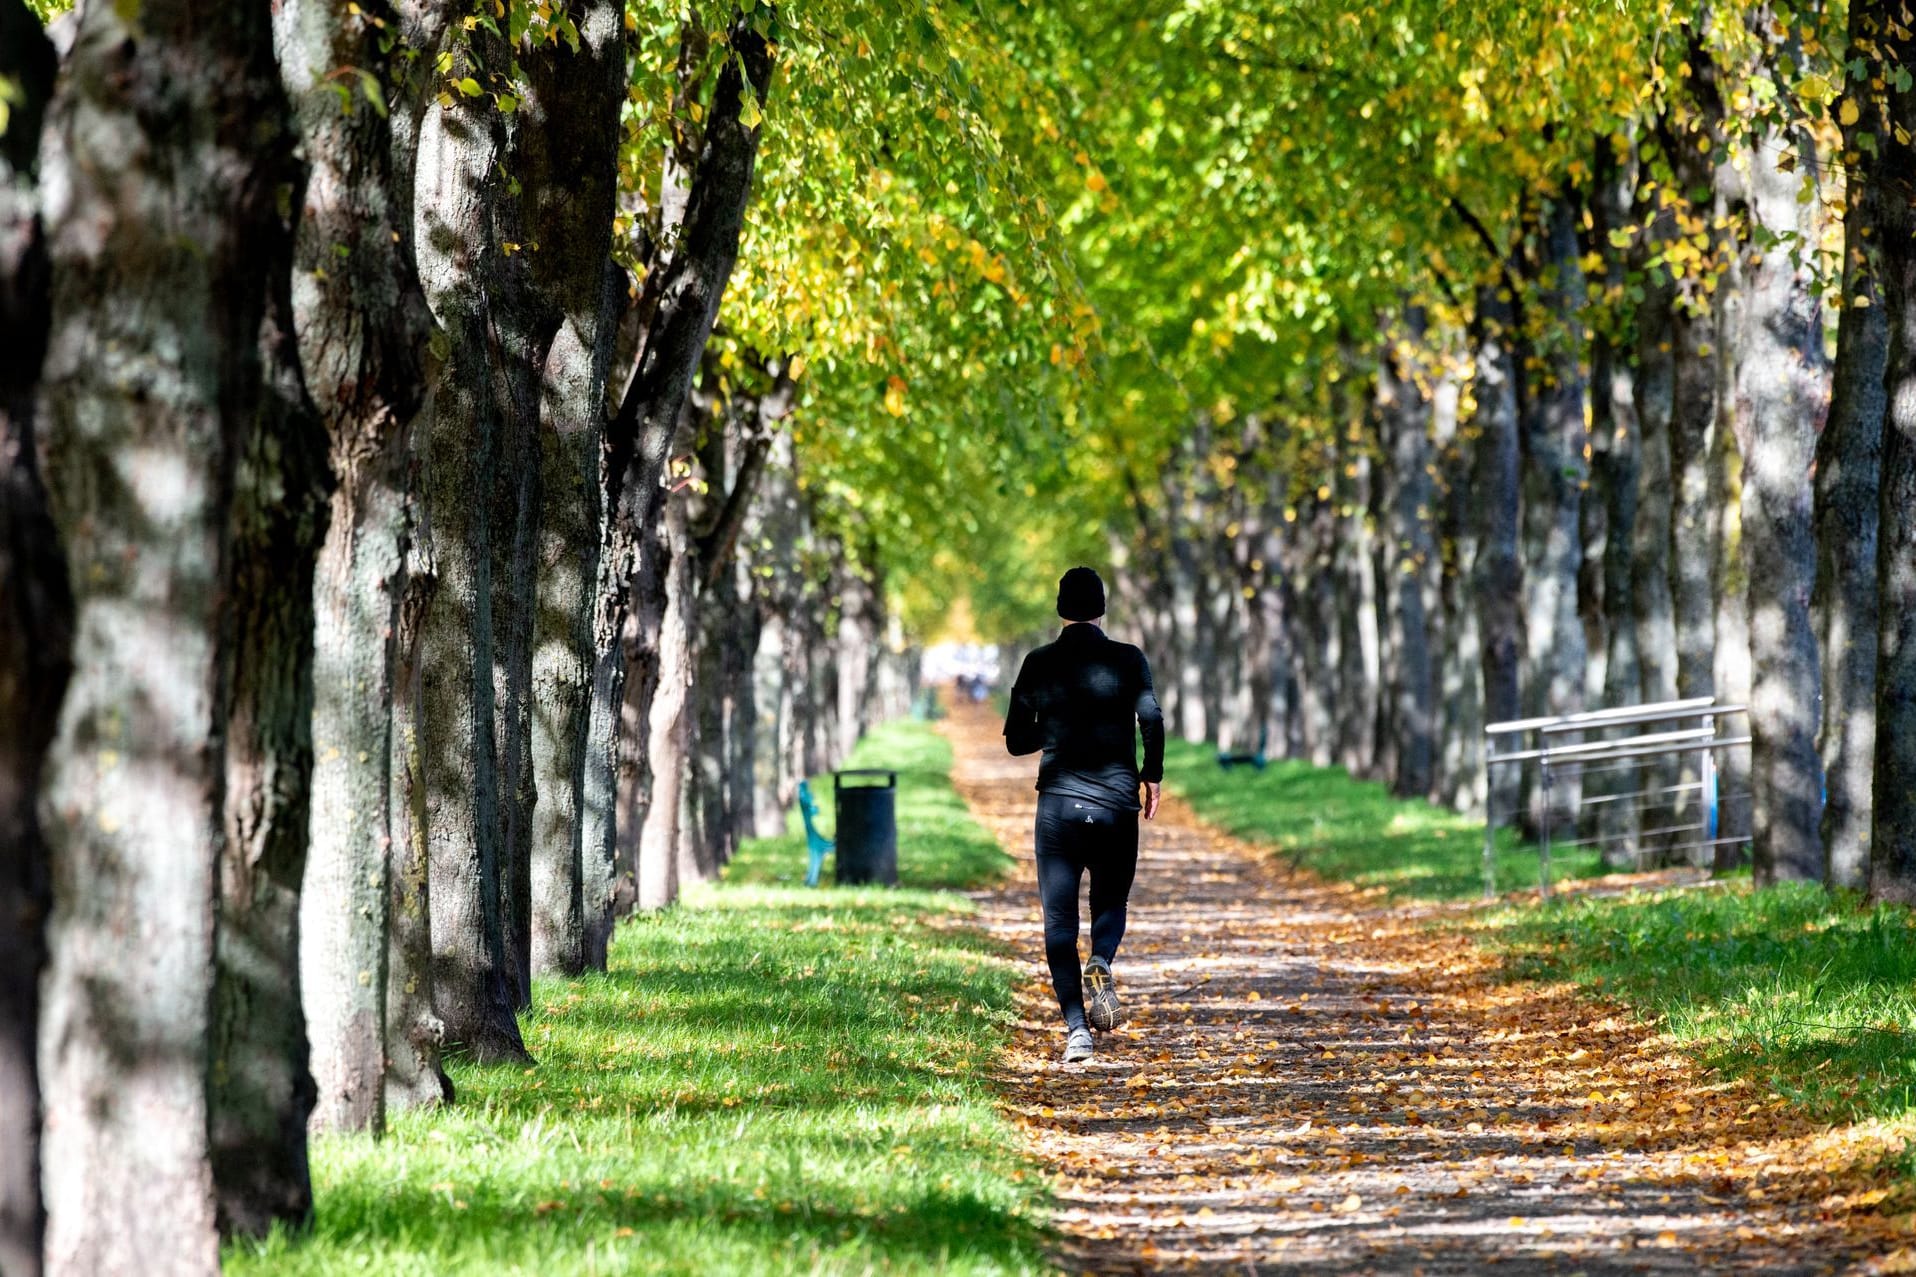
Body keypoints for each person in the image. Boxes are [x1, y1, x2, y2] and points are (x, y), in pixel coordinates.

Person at [1003, 566, 1164, 1064]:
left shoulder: (1037, 663)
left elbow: (1014, 740)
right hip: (1116, 803)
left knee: (1058, 921)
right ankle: (1102, 959)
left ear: (1060, 609)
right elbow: (1152, 718)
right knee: (1111, 902)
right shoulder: (1128, 659)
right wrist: (1150, 774)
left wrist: (1051, 731)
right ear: (1101, 609)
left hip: (1058, 808)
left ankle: (1077, 1029)